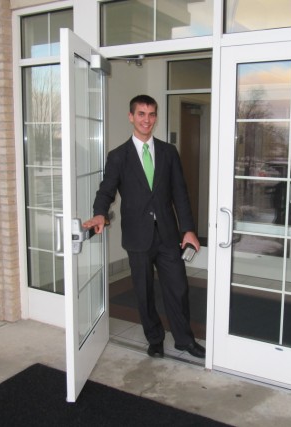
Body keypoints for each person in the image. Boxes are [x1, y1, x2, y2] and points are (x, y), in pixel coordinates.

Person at [83, 94, 205, 359]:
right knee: (144, 291)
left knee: (178, 288)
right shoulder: (118, 156)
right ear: (131, 117)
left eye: (151, 114)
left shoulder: (168, 152)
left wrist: (188, 229)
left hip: (168, 235)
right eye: (141, 114)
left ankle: (184, 339)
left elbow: (180, 194)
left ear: (156, 117)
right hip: (137, 235)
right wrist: (99, 214)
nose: (147, 120)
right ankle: (155, 338)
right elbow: (107, 191)